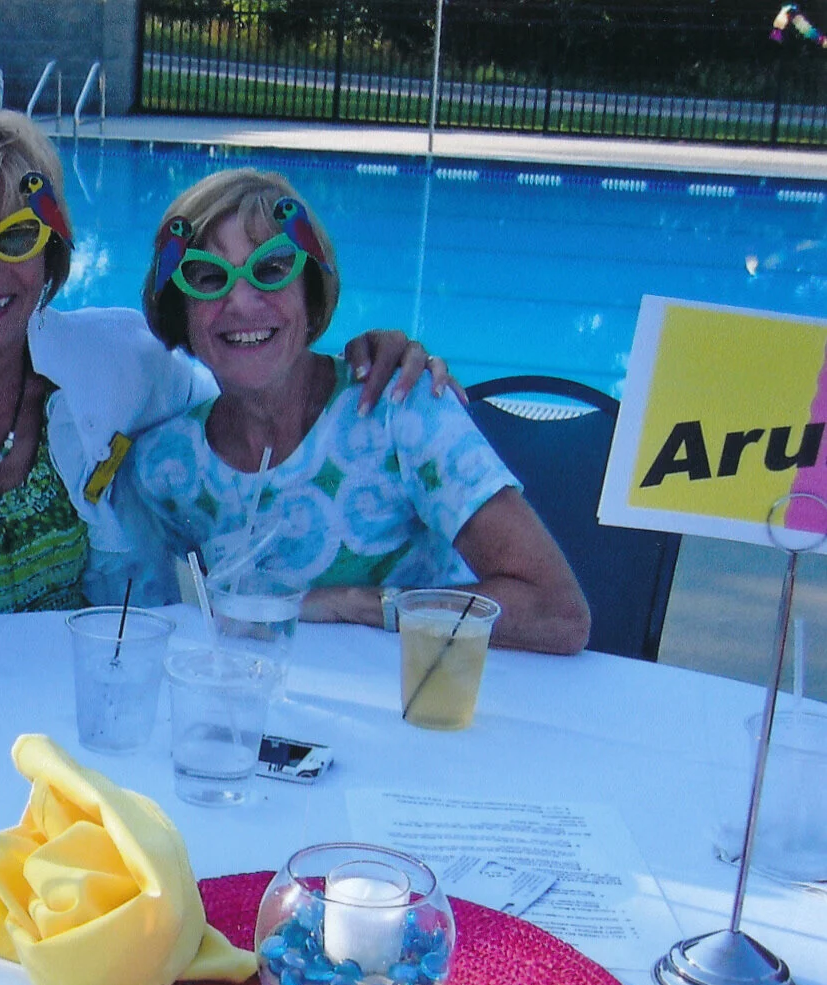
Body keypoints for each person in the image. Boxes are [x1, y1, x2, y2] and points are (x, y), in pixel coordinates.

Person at [0, 98, 456, 621]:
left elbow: (255, 381)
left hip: (80, 714)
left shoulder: (124, 361)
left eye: (15, 236)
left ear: (51, 253)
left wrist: (365, 361)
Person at [125, 168, 590, 653]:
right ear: (179, 307)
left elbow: (558, 612)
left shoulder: (398, 411)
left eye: (271, 268)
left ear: (311, 290)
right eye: (206, 277)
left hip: (426, 703)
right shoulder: (166, 469)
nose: (240, 300)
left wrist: (354, 604)